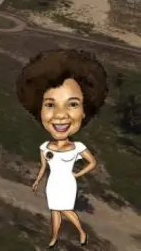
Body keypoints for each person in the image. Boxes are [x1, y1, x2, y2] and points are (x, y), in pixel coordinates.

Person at [16, 49, 108, 248]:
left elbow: (92, 162)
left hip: (67, 182)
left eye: (72, 104)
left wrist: (76, 175)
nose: (60, 115)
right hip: (53, 182)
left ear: (84, 112)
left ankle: (81, 232)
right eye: (50, 105)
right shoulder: (45, 147)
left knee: (64, 210)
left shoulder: (78, 147)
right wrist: (36, 182)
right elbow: (43, 167)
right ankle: (54, 237)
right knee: (55, 211)